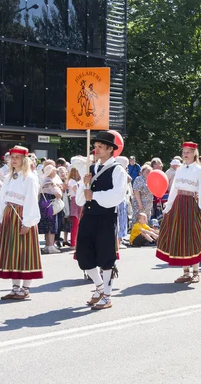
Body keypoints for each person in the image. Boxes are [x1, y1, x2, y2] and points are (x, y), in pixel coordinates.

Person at [76, 131, 128, 310]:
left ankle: (107, 295)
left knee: (106, 257)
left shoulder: (117, 169)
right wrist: (84, 184)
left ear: (109, 149)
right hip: (88, 216)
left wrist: (94, 195)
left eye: (99, 146)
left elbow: (118, 195)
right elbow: (79, 199)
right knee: (83, 255)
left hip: (106, 217)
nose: (95, 149)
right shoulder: (91, 169)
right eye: (95, 146)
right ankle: (99, 287)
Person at [157, 142, 201, 283]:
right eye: (184, 152)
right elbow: (174, 189)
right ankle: (186, 272)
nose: (185, 154)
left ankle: (196, 272)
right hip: (179, 204)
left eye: (188, 152)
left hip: (191, 204)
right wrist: (168, 207)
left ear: (194, 153)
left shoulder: (199, 170)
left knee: (193, 236)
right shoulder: (179, 170)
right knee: (180, 236)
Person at [0, 146, 41, 300]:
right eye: (12, 157)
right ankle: (15, 288)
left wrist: (27, 222)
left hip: (22, 216)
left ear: (24, 160)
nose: (14, 160)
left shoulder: (30, 178)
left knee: (25, 252)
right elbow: (2, 200)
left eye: (17, 157)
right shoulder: (8, 177)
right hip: (9, 215)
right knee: (12, 251)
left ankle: (25, 289)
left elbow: (32, 201)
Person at [38, 165, 63, 254]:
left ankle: (47, 245)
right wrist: (59, 187)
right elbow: (58, 194)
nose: (55, 172)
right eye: (54, 171)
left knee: (46, 225)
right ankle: (51, 246)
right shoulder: (50, 181)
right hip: (50, 204)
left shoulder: (43, 180)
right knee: (51, 225)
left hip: (44, 203)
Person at [67, 167, 82, 251]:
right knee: (75, 223)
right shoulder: (72, 181)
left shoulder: (74, 181)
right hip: (75, 201)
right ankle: (73, 242)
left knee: (78, 224)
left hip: (77, 201)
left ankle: (75, 242)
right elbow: (77, 190)